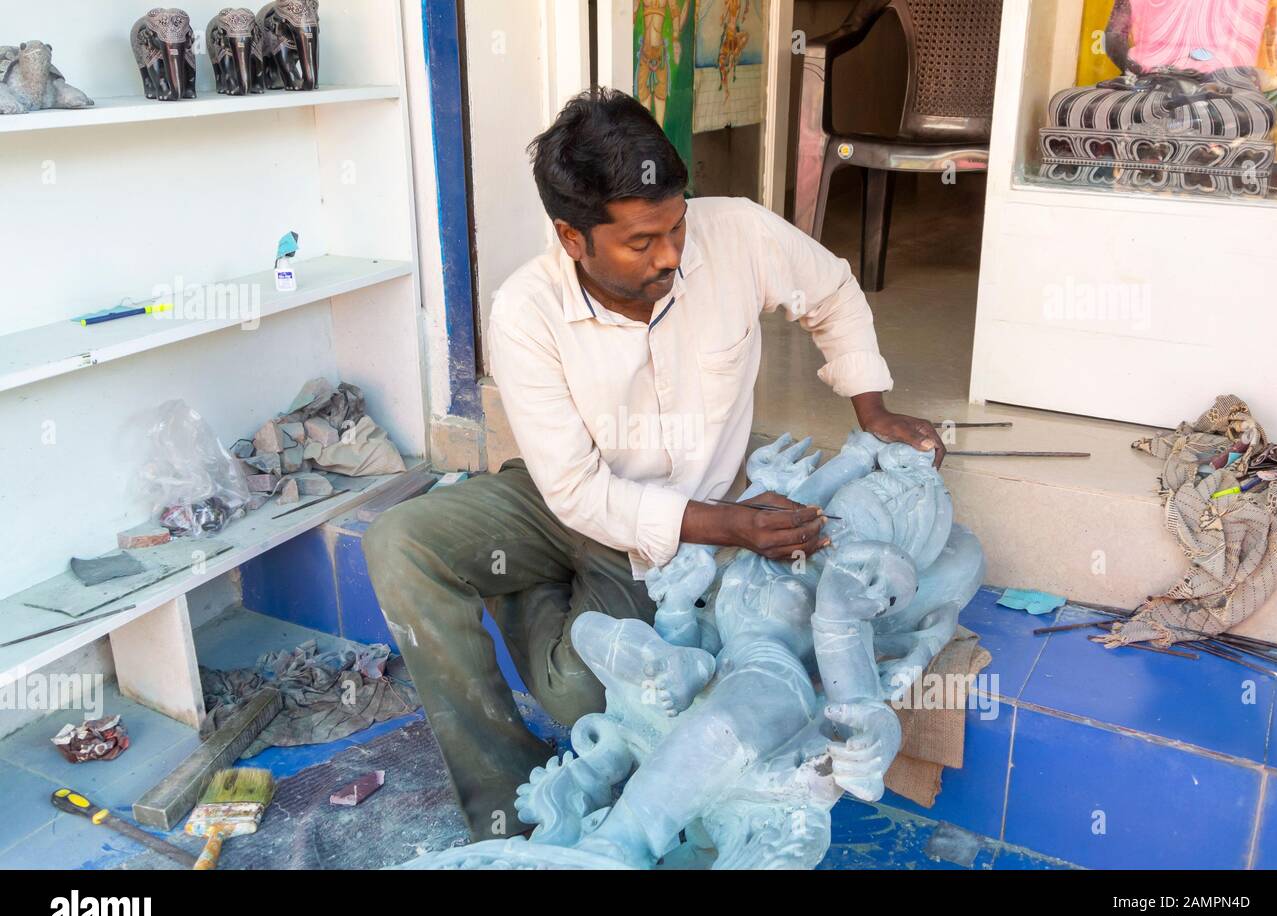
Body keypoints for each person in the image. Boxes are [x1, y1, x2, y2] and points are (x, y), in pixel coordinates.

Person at [362, 87, 944, 841]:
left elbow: (830, 289)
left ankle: (533, 588)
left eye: (676, 226)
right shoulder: (525, 310)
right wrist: (730, 526)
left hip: (666, 533)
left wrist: (873, 409)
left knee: (585, 700)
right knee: (399, 543)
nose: (670, 253)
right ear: (574, 240)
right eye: (642, 242)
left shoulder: (735, 235)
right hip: (566, 495)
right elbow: (575, 490)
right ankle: (503, 795)